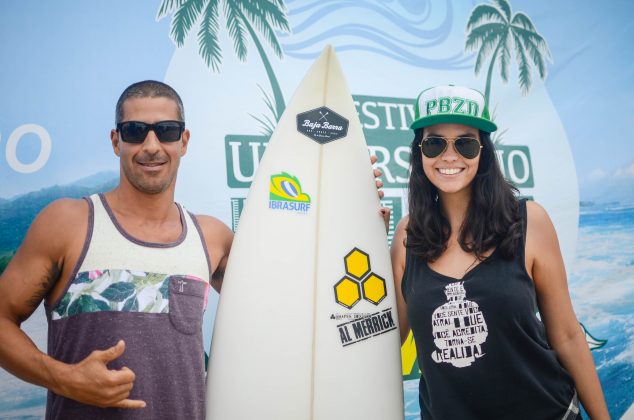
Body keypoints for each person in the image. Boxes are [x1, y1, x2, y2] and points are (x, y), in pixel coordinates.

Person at [0, 80, 233, 419]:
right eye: (135, 131)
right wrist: (64, 379)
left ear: (183, 142)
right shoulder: (67, 224)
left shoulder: (212, 238)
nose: (151, 145)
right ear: (116, 141)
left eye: (167, 131)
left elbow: (273, 309)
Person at [390, 85, 609, 419]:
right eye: (435, 142)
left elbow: (566, 335)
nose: (449, 156)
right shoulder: (407, 237)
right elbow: (385, 343)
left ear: (484, 151)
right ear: (420, 152)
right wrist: (358, 230)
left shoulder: (529, 221)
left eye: (465, 142)